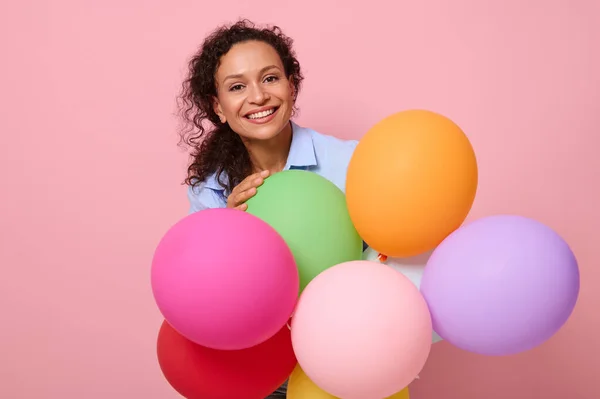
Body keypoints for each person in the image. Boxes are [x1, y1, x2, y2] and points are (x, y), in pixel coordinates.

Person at [176, 19, 359, 398]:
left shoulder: (351, 163)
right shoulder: (209, 187)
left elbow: (386, 262)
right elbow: (208, 293)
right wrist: (227, 229)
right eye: (237, 87)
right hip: (259, 364)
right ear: (219, 107)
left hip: (350, 352)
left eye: (270, 78)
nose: (258, 97)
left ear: (292, 86)